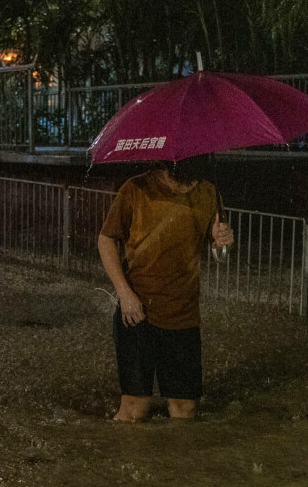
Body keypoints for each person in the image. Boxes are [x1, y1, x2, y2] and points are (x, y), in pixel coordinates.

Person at [97, 156, 235, 422]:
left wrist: (223, 243)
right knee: (134, 409)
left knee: (185, 411)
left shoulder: (208, 193)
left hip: (183, 314)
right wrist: (124, 294)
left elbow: (219, 253)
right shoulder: (136, 188)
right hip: (136, 311)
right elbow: (106, 239)